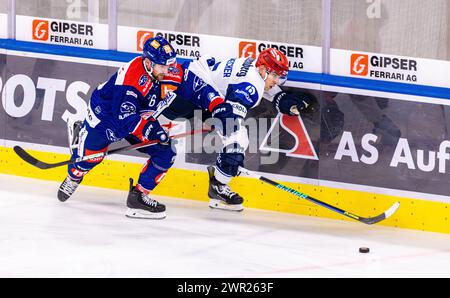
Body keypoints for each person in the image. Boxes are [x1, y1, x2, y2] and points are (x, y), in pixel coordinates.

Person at [163, 48, 318, 211]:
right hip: (184, 96)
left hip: (189, 82)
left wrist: (280, 98)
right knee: (236, 142)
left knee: (234, 140)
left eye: (280, 77)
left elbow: (253, 85)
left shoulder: (254, 67)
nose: (277, 81)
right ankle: (218, 186)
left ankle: (219, 183)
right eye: (275, 76)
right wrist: (233, 155)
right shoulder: (251, 85)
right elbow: (230, 123)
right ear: (264, 70)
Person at [58, 36, 183, 220]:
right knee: (86, 161)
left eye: (168, 66)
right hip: (106, 120)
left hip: (134, 116)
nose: (167, 70)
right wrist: (153, 130)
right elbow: (125, 119)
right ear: (148, 62)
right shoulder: (130, 81)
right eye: (162, 66)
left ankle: (138, 198)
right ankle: (74, 174)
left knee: (166, 151)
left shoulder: (155, 71)